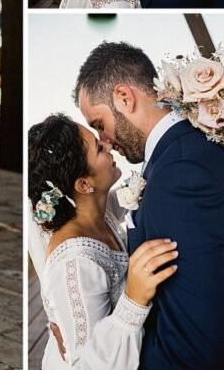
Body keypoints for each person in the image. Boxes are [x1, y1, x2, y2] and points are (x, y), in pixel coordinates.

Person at [74, 41, 224, 368]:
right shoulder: (187, 151)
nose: (104, 142)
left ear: (124, 97)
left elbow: (195, 352)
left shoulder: (181, 174)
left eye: (99, 125)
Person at [29, 113, 177, 368]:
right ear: (84, 184)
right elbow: (88, 363)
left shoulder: (96, 212)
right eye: (98, 148)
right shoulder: (74, 264)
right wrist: (134, 298)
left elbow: (126, 197)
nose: (108, 144)